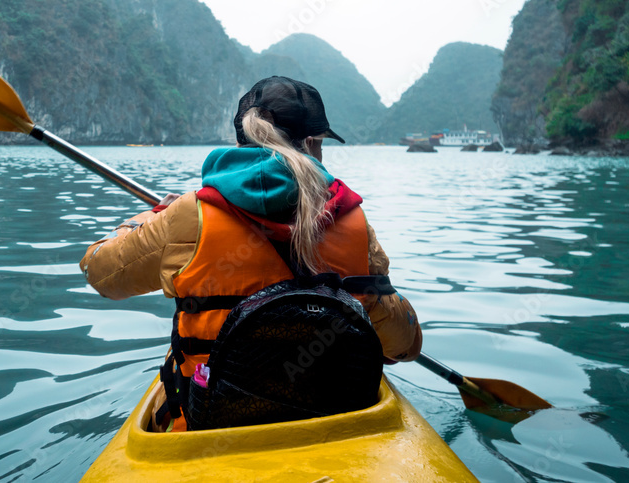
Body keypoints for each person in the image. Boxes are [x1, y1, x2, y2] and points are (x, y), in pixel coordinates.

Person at [79, 76, 422, 430]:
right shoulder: (353, 221)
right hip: (332, 426)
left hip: (208, 427)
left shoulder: (187, 217)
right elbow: (404, 347)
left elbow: (100, 273)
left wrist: (152, 219)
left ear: (242, 140)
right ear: (311, 143)